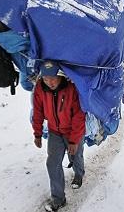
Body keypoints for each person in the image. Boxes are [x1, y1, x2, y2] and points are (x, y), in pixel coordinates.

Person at [32, 60, 86, 212]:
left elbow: (79, 115)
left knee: (75, 156)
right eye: (46, 78)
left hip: (72, 130)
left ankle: (79, 174)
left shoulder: (72, 88)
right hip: (54, 131)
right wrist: (37, 133)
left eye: (53, 77)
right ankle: (58, 199)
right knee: (52, 163)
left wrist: (74, 140)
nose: (50, 82)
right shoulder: (40, 89)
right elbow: (38, 112)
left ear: (60, 75)